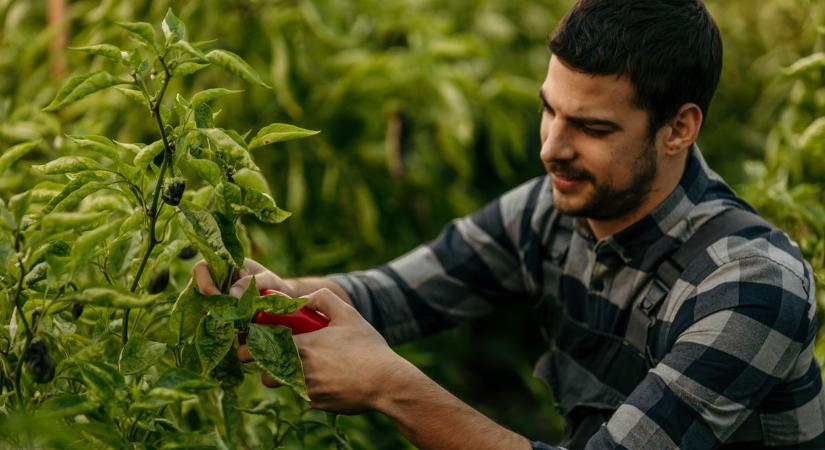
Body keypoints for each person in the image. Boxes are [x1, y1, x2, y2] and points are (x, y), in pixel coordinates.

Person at [194, 0, 825, 448]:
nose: (552, 146)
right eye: (550, 111)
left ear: (679, 128)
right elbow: (390, 296)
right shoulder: (553, 207)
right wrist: (270, 301)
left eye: (593, 128)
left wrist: (391, 387)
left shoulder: (748, 285)